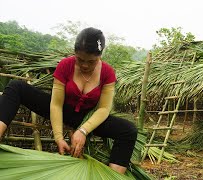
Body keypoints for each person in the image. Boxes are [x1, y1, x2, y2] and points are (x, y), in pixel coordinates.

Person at [0, 27, 137, 174]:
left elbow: (104, 109)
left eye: (91, 62)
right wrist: (58, 137)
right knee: (17, 87)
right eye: (80, 59)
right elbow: (56, 104)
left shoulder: (108, 73)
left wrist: (83, 130)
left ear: (100, 55)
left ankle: (113, 176)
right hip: (63, 110)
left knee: (128, 130)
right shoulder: (66, 65)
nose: (85, 65)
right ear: (75, 53)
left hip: (87, 118)